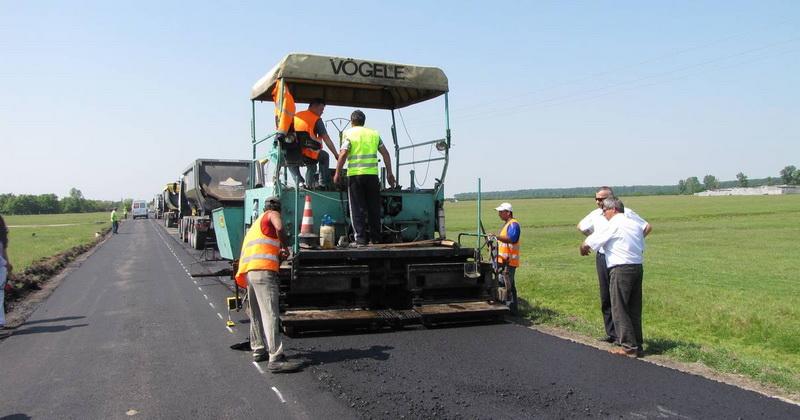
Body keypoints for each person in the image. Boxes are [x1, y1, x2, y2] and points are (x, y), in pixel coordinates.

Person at [234, 197, 302, 373]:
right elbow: (279, 227)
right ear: (276, 208)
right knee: (270, 313)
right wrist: (286, 247)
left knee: (256, 313)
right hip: (263, 273)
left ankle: (258, 349)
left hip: (250, 272)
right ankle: (276, 358)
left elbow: (264, 245)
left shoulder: (255, 225)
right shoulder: (272, 215)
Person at [577, 187, 651, 344]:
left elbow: (590, 242)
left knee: (619, 305)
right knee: (631, 306)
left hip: (619, 265)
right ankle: (634, 341)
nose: (603, 211)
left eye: (604, 207)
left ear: (613, 207)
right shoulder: (630, 223)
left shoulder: (615, 222)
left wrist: (584, 246)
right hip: (635, 264)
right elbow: (582, 226)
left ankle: (627, 344)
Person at [333, 110, 396, 246]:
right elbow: (385, 154)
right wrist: (390, 173)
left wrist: (337, 172)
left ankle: (360, 240)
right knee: (374, 208)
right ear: (364, 121)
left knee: (357, 208)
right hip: (372, 176)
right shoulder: (374, 134)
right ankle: (376, 239)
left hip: (356, 176)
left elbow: (343, 154)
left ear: (352, 122)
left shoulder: (349, 134)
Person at [288, 99, 340, 189]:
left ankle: (300, 183)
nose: (322, 112)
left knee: (289, 161)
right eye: (321, 109)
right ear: (314, 106)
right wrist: (336, 154)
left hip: (293, 151)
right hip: (309, 152)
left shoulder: (296, 116)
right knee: (324, 156)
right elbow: (326, 139)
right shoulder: (317, 120)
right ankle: (322, 184)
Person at [492, 202, 521, 315]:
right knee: (508, 285)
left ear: (508, 213)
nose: (499, 214)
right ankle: (511, 309)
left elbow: (512, 238)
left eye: (501, 212)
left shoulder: (513, 224)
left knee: (507, 285)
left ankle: (508, 309)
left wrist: (497, 237)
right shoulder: (507, 224)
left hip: (508, 261)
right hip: (503, 260)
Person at [0, 214, 12, 329]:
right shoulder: (2, 237)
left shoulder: (2, 238)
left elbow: (4, 254)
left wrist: (7, 266)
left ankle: (1, 321)